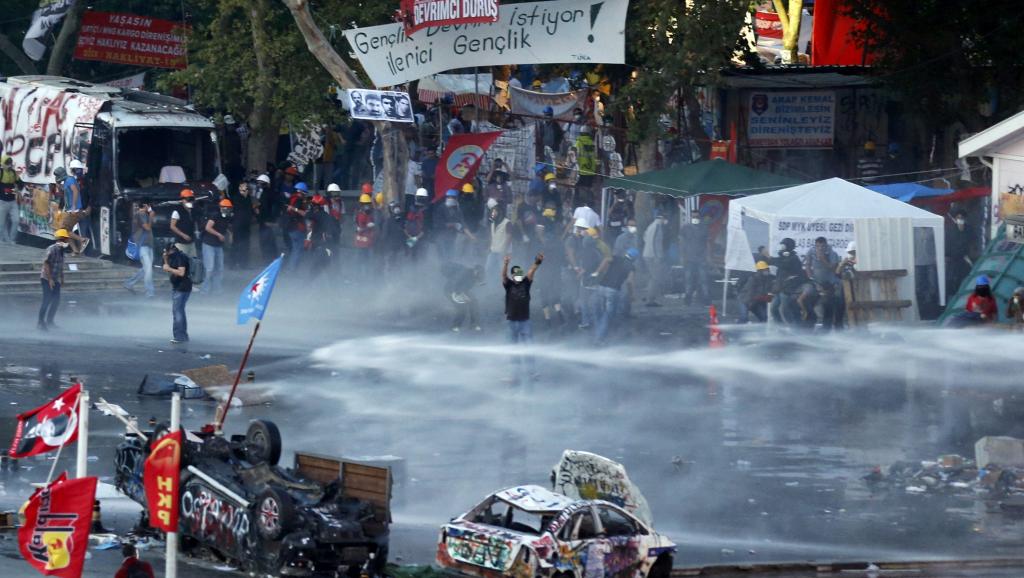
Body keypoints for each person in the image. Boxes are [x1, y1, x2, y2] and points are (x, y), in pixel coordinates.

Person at [503, 254, 543, 374]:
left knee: (529, 347)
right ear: (513, 276)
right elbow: (503, 276)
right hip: (511, 320)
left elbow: (531, 271)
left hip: (525, 320)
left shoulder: (526, 283)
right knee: (513, 348)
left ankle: (532, 372)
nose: (519, 276)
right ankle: (514, 373)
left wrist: (538, 262)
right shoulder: (508, 285)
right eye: (516, 274)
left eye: (520, 274)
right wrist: (505, 264)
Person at [594, 247, 639, 345]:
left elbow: (606, 259)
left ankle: (598, 332)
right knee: (608, 315)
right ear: (635, 258)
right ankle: (599, 338)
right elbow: (630, 281)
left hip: (601, 287)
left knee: (600, 311)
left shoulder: (616, 258)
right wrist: (632, 295)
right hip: (613, 290)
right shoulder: (631, 267)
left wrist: (598, 271)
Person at [804, 236, 843, 330]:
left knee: (828, 305)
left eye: (822, 246)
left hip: (829, 284)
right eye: (818, 246)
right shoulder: (811, 251)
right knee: (809, 303)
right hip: (816, 283)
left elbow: (833, 268)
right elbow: (807, 264)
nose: (820, 248)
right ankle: (809, 327)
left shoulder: (832, 253)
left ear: (826, 245)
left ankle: (828, 327)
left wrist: (822, 259)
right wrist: (810, 276)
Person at [38, 229, 69, 331]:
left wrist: (62, 278)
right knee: (47, 300)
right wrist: (50, 279)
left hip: (56, 279)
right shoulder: (52, 249)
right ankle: (40, 323)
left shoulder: (62, 251)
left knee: (56, 301)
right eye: (65, 239)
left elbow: (60, 266)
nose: (67, 241)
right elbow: (46, 264)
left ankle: (50, 321)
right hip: (46, 278)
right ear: (61, 239)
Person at [770, 237, 807, 324]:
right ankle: (780, 326)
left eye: (783, 245)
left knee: (785, 309)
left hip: (788, 288)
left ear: (788, 246)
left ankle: (792, 327)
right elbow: (777, 262)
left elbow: (784, 265)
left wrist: (771, 259)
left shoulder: (794, 258)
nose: (781, 247)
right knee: (773, 308)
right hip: (780, 287)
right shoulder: (782, 257)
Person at [123, 202, 155, 297]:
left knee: (146, 268)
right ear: (146, 206)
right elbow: (148, 227)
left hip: (148, 245)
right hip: (143, 246)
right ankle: (149, 291)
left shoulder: (143, 215)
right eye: (149, 206)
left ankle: (129, 283)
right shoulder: (140, 214)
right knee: (148, 268)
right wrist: (151, 215)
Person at [200, 198, 232, 293]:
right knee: (210, 268)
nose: (228, 210)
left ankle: (217, 289)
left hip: (218, 245)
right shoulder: (215, 216)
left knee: (219, 267)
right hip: (209, 244)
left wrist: (229, 235)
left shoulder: (226, 218)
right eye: (227, 208)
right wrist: (218, 235)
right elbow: (208, 227)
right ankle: (205, 289)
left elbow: (225, 228)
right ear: (222, 208)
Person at [162, 242, 192, 343]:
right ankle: (182, 335)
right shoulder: (172, 257)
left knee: (178, 312)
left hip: (182, 287)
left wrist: (169, 268)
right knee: (179, 311)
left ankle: (180, 336)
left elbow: (181, 272)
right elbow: (167, 267)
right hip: (177, 286)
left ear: (171, 250)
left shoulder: (180, 257)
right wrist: (165, 259)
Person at [679, 214, 710, 305]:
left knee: (703, 279)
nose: (695, 218)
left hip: (701, 258)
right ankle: (688, 299)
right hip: (689, 258)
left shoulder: (704, 228)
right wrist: (682, 256)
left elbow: (707, 243)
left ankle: (706, 298)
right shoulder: (685, 227)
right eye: (694, 217)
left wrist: (708, 256)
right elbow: (681, 242)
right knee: (689, 279)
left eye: (697, 217)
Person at [62, 159, 91, 253]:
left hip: (82, 210)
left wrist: (89, 207)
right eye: (75, 170)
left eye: (79, 169)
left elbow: (92, 195)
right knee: (67, 231)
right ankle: (76, 250)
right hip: (74, 211)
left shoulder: (87, 181)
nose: (78, 172)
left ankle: (79, 250)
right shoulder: (71, 181)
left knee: (81, 231)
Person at [444, 263, 483, 332]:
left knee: (474, 303)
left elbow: (474, 283)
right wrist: (460, 295)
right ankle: (455, 326)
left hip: (463, 290)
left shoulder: (475, 276)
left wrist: (479, 283)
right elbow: (456, 284)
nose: (478, 274)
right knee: (462, 307)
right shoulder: (465, 274)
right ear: (475, 270)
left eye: (480, 273)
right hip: (452, 291)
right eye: (478, 272)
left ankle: (473, 324)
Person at [946, 210, 974, 297]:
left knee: (965, 277)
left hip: (965, 258)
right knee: (953, 279)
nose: (960, 220)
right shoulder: (950, 230)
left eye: (962, 218)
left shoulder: (969, 230)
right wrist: (947, 255)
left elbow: (972, 243)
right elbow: (947, 243)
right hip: (953, 259)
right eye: (958, 218)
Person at [642, 213, 668, 307]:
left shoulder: (651, 225)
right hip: (653, 256)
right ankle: (650, 300)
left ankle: (648, 296)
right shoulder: (657, 226)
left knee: (652, 277)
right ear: (662, 218)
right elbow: (655, 243)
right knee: (656, 278)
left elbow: (644, 237)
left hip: (647, 254)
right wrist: (657, 256)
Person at [230, 180, 254, 269]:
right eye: (244, 186)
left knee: (246, 244)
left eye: (246, 187)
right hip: (238, 224)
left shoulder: (248, 197)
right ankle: (233, 263)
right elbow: (239, 210)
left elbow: (249, 208)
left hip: (246, 225)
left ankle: (244, 263)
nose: (245, 188)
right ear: (240, 187)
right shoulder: (236, 197)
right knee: (236, 244)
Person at [285, 182, 309, 272]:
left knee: (295, 249)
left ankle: (290, 269)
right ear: (302, 192)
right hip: (297, 229)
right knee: (297, 250)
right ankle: (292, 270)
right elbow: (302, 213)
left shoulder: (291, 198)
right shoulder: (299, 200)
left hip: (290, 228)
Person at [487, 204, 512, 285]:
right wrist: (489, 247)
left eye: (494, 212)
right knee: (488, 268)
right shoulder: (493, 222)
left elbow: (509, 237)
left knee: (503, 271)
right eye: (492, 212)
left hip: (503, 252)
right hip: (493, 251)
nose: (492, 214)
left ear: (500, 213)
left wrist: (504, 250)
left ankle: (507, 286)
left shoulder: (507, 223)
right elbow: (492, 236)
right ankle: (491, 284)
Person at [170, 189, 198, 257]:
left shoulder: (192, 211)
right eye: (188, 199)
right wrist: (183, 235)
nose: (190, 201)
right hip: (181, 243)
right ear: (182, 200)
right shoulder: (177, 211)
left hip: (191, 243)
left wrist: (197, 231)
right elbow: (172, 226)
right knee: (182, 263)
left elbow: (194, 222)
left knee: (193, 262)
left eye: (191, 199)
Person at [354, 192, 376, 277]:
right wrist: (368, 226)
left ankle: (365, 276)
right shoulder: (360, 215)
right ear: (361, 205)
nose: (367, 206)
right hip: (362, 242)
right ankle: (361, 277)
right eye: (365, 204)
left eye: (368, 204)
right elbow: (359, 229)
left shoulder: (368, 214)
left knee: (366, 260)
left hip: (367, 242)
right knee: (362, 261)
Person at [0, 155, 20, 244]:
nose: (9, 165)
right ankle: (2, 239)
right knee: (1, 223)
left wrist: (17, 189)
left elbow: (20, 183)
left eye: (10, 163)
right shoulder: (0, 172)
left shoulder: (13, 172)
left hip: (12, 201)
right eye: (7, 163)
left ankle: (12, 239)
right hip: (2, 201)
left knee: (16, 220)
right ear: (3, 163)